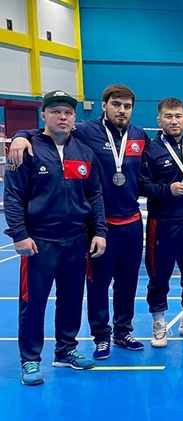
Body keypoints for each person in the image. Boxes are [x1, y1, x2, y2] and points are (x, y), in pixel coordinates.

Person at [8, 84, 150, 360]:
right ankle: (97, 337)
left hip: (124, 224)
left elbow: (101, 190)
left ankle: (117, 333)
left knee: (114, 286)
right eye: (116, 104)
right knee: (89, 287)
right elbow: (45, 135)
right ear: (104, 106)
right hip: (74, 231)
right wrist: (19, 135)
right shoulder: (84, 131)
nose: (122, 110)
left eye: (127, 106)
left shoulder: (138, 135)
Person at [4, 90, 107, 385]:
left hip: (76, 240)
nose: (63, 117)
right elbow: (13, 195)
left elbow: (95, 196)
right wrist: (19, 234)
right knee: (33, 302)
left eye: (68, 112)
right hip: (39, 242)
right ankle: (30, 359)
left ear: (74, 118)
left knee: (71, 299)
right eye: (56, 111)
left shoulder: (84, 153)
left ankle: (65, 350)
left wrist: (99, 231)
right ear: (44, 116)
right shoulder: (26, 150)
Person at [139, 97, 183, 347]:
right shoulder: (151, 150)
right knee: (159, 277)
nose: (174, 121)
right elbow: (141, 185)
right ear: (159, 120)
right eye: (168, 116)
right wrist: (167, 190)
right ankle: (159, 323)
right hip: (163, 224)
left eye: (178, 116)